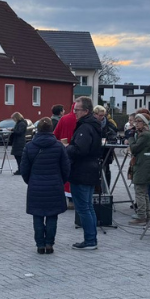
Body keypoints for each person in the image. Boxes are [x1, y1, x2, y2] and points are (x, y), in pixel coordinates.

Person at [21, 117, 70, 254]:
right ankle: (49, 243)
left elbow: (24, 169)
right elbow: (66, 168)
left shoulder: (29, 146)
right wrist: (61, 181)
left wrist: (30, 181)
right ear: (51, 130)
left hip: (36, 186)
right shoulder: (59, 146)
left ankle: (40, 244)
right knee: (52, 216)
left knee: (37, 216)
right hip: (54, 185)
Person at [67, 97, 104, 249]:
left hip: (82, 171)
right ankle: (91, 239)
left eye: (77, 110)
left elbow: (80, 150)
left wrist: (67, 147)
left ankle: (90, 240)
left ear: (86, 111)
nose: (74, 112)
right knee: (88, 206)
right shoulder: (93, 125)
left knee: (83, 207)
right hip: (90, 170)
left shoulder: (85, 127)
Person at [129, 113, 150, 226]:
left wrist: (130, 138)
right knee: (144, 192)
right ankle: (147, 215)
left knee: (140, 191)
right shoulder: (143, 134)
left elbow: (134, 148)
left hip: (143, 166)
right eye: (135, 121)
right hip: (144, 165)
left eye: (139, 121)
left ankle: (141, 216)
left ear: (144, 123)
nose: (136, 124)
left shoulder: (145, 135)